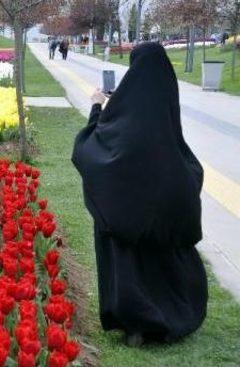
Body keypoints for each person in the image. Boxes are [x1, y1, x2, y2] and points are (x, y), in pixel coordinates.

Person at [71, 42, 208, 347]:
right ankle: (170, 317)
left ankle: (135, 323)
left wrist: (96, 106)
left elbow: (91, 150)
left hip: (127, 209)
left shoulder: (122, 110)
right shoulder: (166, 107)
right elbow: (187, 161)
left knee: (124, 242)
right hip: (166, 204)